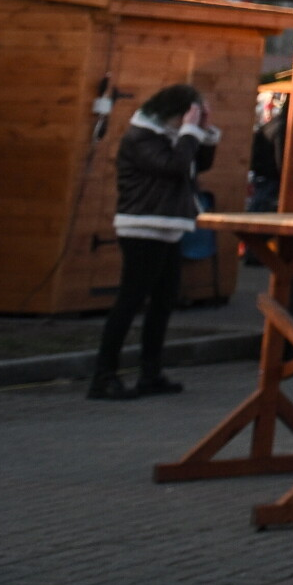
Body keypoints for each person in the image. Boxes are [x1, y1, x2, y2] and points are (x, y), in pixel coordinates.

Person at [89, 84, 219, 401]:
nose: (185, 123)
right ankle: (103, 377)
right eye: (185, 116)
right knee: (130, 301)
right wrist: (190, 131)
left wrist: (203, 132)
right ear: (171, 113)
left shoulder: (170, 138)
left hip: (169, 227)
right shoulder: (140, 136)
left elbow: (197, 165)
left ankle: (150, 373)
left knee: (163, 303)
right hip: (142, 227)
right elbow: (174, 167)